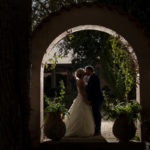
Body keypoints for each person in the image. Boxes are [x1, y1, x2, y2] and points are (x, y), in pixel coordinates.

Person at [63, 68, 95, 137]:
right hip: (82, 99)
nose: (85, 72)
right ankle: (79, 130)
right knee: (81, 114)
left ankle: (81, 130)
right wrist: (86, 100)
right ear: (81, 74)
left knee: (81, 114)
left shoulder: (81, 80)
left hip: (80, 98)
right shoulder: (81, 81)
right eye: (83, 72)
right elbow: (82, 92)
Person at [85, 65, 104, 136]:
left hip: (96, 99)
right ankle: (96, 129)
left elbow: (93, 90)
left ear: (90, 70)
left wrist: (90, 99)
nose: (85, 72)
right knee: (95, 114)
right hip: (95, 99)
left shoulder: (94, 77)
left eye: (86, 70)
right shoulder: (90, 77)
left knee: (96, 114)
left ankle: (98, 130)